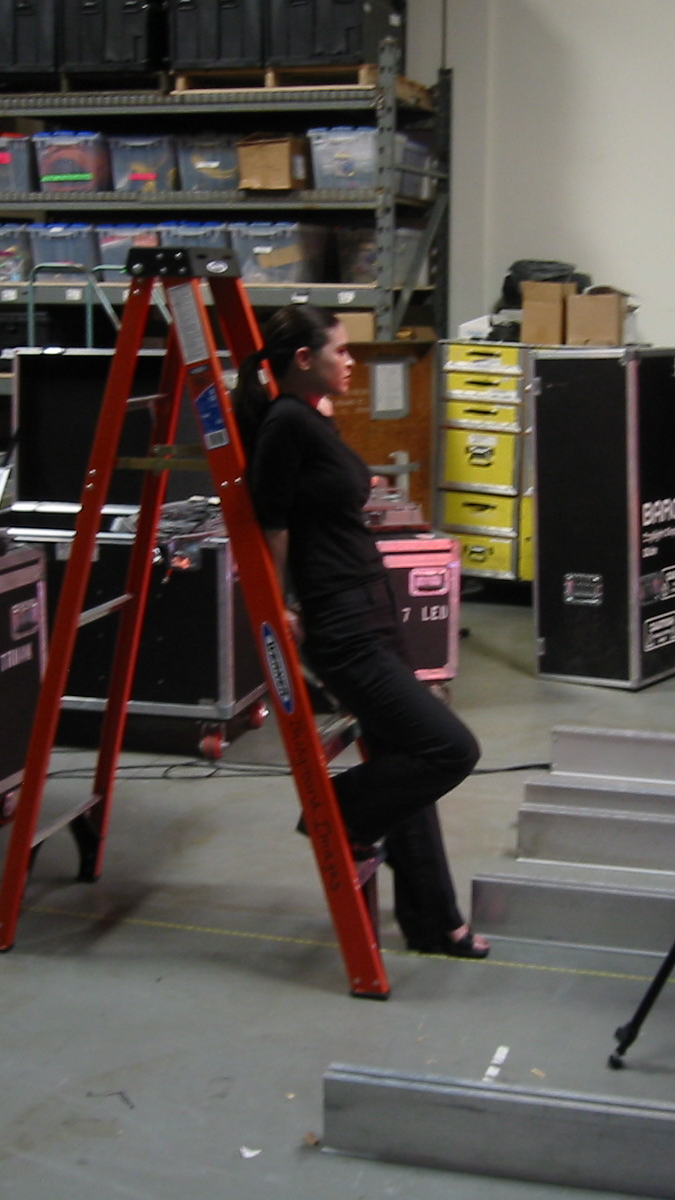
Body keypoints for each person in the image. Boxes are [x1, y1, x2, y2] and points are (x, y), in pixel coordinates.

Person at [236, 304, 488, 958]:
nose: (351, 361)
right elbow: (272, 522)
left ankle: (434, 921)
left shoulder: (313, 416)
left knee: (406, 760)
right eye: (340, 351)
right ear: (303, 359)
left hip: (373, 610)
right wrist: (282, 604)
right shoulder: (287, 422)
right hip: (342, 624)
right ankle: (336, 812)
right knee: (449, 749)